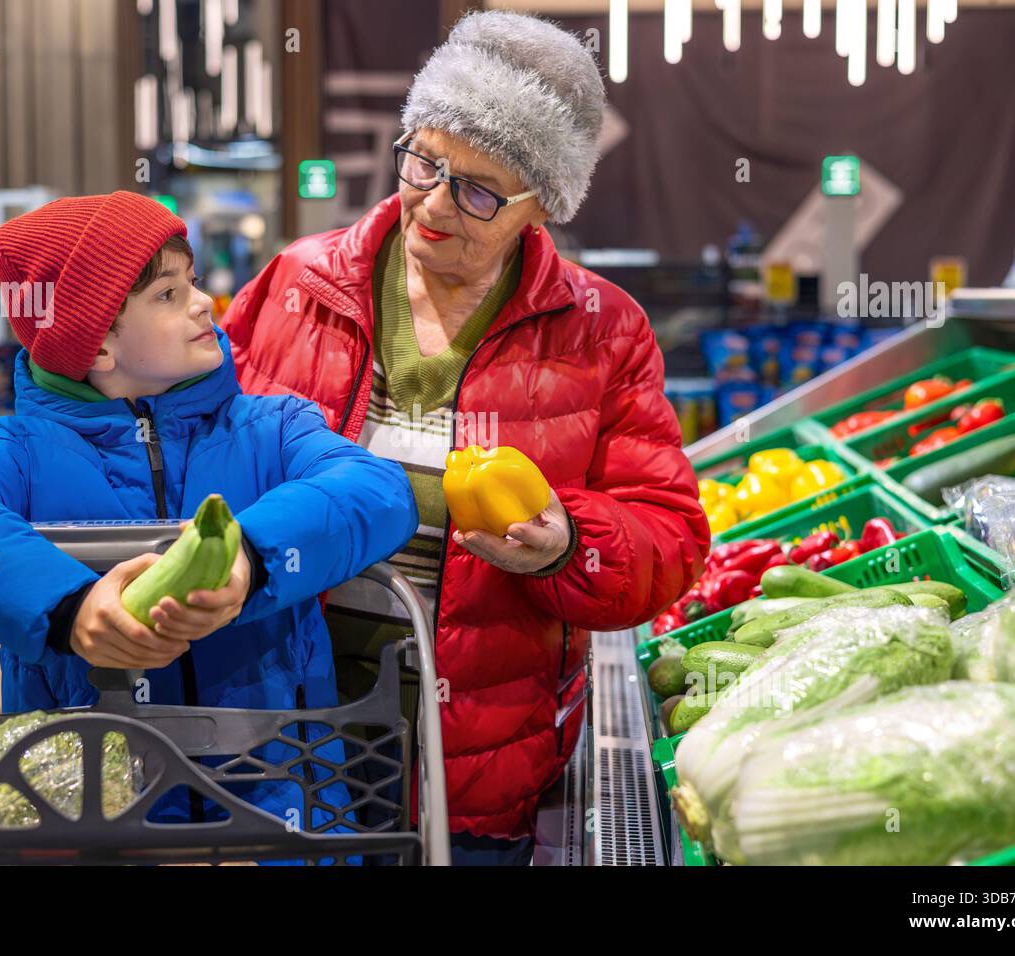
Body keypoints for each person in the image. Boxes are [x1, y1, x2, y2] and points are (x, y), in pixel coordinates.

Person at [224, 11, 709, 865]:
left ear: (539, 206)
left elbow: (668, 538)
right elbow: (205, 448)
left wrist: (569, 547)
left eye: (479, 190)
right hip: (286, 719)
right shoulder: (301, 283)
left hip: (478, 754)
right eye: (425, 162)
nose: (436, 204)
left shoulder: (600, 331)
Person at [0, 191, 419, 835]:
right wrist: (70, 607)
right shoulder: (22, 454)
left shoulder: (273, 427)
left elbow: (376, 487)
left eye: (193, 282)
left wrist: (250, 559)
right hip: (93, 830)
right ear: (96, 347)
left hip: (286, 817)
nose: (204, 302)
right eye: (168, 295)